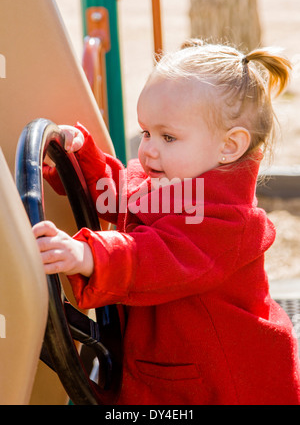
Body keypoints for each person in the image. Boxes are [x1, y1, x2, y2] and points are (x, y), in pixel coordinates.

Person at [33, 39, 300, 405]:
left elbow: (155, 257)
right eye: (146, 132)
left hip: (221, 385)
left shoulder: (227, 222)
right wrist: (82, 162)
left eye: (168, 136)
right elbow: (124, 194)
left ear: (229, 146)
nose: (148, 150)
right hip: (171, 364)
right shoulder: (176, 181)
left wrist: (88, 255)